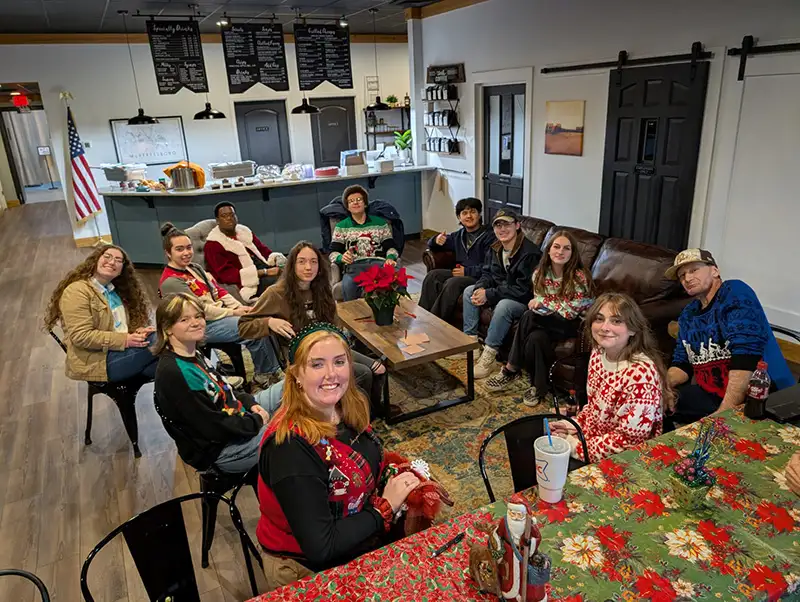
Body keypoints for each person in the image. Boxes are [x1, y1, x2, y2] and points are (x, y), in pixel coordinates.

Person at [255, 323, 422, 589]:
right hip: (305, 567)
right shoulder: (289, 448)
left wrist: (393, 469)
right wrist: (384, 507)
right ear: (297, 374)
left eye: (339, 361)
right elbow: (322, 546)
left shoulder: (345, 406)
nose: (331, 374)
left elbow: (360, 456)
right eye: (317, 364)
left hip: (352, 538)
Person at [238, 240, 386, 410]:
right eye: (302, 262)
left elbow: (334, 326)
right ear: (292, 265)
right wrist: (269, 322)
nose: (308, 267)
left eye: (313, 261)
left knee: (379, 368)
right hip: (302, 354)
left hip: (330, 347)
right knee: (364, 373)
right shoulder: (276, 293)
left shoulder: (321, 289)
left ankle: (370, 411)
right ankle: (352, 414)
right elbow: (244, 326)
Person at [664, 249, 794, 429]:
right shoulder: (688, 314)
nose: (687, 278)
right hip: (711, 394)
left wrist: (724, 412)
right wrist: (663, 388)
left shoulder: (735, 292)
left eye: (694, 270)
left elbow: (746, 358)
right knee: (654, 405)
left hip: (760, 396)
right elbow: (682, 363)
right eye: (682, 275)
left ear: (714, 270)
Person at [153, 294, 280, 473]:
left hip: (236, 418)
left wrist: (251, 404)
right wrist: (256, 421)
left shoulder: (193, 353)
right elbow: (214, 428)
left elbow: (225, 388)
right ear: (168, 328)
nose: (196, 323)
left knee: (290, 386)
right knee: (294, 431)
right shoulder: (174, 372)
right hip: (222, 450)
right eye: (184, 319)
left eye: (198, 316)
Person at [158, 223, 282, 387]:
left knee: (259, 319)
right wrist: (234, 313)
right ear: (168, 253)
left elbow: (219, 291)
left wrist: (241, 308)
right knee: (255, 325)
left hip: (219, 316)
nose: (187, 253)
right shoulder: (171, 281)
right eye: (180, 249)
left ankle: (273, 369)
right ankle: (266, 374)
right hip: (201, 325)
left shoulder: (194, 268)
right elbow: (200, 311)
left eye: (189, 247)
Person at [550, 293, 669, 462]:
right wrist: (574, 425)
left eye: (616, 321)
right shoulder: (599, 352)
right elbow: (594, 408)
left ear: (633, 329)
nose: (605, 327)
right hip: (596, 443)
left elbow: (628, 443)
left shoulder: (640, 375)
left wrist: (574, 446)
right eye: (599, 319)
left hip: (628, 460)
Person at [486, 230, 595, 407]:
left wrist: (545, 303)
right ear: (549, 250)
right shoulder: (540, 273)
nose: (560, 252)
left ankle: (511, 368)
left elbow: (570, 311)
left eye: (566, 248)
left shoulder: (579, 276)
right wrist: (546, 304)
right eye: (556, 247)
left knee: (529, 316)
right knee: (536, 338)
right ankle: (538, 388)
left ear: (572, 253)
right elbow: (541, 305)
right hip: (545, 322)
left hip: (570, 325)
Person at [44, 244, 158, 383]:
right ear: (96, 260)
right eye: (107, 257)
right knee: (161, 339)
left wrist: (137, 332)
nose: (111, 262)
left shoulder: (115, 291)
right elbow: (81, 336)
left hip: (120, 352)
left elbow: (118, 326)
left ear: (122, 269)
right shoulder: (77, 291)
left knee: (168, 364)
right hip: (99, 361)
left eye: (118, 260)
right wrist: (126, 340)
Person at [463, 209, 542, 379]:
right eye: (498, 225)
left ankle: (489, 356)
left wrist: (489, 294)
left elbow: (522, 290)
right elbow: (487, 273)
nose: (502, 229)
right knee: (469, 291)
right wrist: (481, 287)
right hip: (502, 293)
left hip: (524, 301)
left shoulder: (530, 253)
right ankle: (471, 345)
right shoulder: (496, 247)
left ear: (517, 226)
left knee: (504, 306)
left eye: (507, 224)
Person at [419, 197, 496, 321]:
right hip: (460, 273)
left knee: (452, 283)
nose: (469, 216)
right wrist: (436, 240)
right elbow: (431, 243)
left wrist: (467, 271)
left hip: (479, 277)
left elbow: (491, 267)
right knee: (433, 276)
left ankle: (436, 321)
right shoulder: (458, 236)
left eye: (473, 212)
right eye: (464, 213)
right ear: (459, 218)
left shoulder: (489, 236)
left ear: (479, 214)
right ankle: (422, 315)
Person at [204, 201, 286, 302]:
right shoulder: (213, 244)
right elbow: (227, 275)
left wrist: (277, 259)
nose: (229, 218)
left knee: (295, 272)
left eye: (232, 215)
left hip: (264, 266)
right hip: (250, 282)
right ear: (217, 220)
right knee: (282, 283)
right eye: (224, 216)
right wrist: (264, 272)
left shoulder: (244, 231)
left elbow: (263, 250)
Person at [329, 185, 399, 301]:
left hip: (379, 264)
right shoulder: (341, 226)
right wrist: (341, 257)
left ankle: (392, 312)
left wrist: (390, 258)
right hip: (354, 266)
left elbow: (391, 247)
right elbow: (332, 252)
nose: (355, 203)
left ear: (365, 203)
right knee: (348, 285)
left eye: (359, 199)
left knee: (398, 278)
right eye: (351, 201)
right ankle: (352, 316)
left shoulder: (380, 223)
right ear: (347, 206)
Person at [488, 493, 545, 602]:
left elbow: (537, 537)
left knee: (525, 576)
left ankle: (525, 595)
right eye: (512, 513)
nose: (515, 517)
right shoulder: (504, 522)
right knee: (509, 575)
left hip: (524, 554)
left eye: (519, 515)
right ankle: (511, 594)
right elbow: (498, 534)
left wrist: (531, 542)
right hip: (509, 553)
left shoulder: (529, 524)